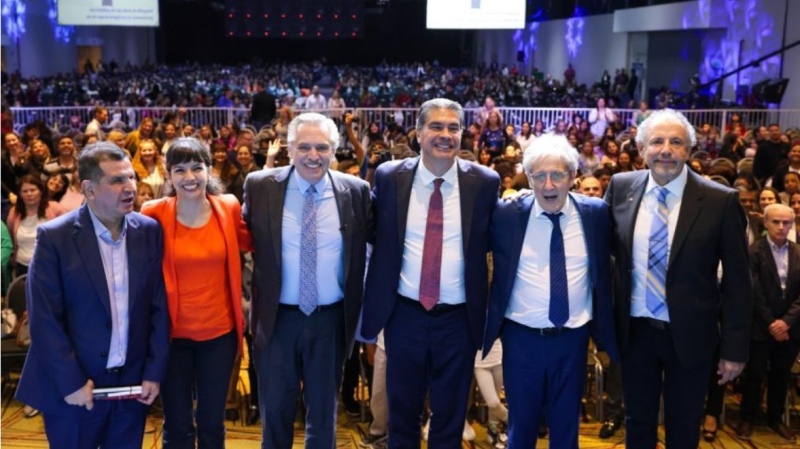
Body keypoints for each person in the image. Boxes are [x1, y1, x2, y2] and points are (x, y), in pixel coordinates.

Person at [604, 109, 752, 448]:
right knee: (637, 424)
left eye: (676, 142)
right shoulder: (620, 187)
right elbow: (601, 253)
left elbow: (739, 285)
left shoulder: (720, 200)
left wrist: (734, 349)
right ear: (641, 149)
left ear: (689, 149)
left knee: (684, 428)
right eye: (656, 141)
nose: (666, 149)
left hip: (691, 337)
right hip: (636, 333)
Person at [360, 98, 500, 449]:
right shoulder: (390, 176)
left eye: (453, 127)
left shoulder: (485, 183)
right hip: (404, 315)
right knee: (402, 414)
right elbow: (371, 231)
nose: (445, 134)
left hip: (458, 320)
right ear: (419, 132)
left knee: (450, 418)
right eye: (436, 126)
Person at [15, 142, 170, 449]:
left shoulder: (149, 231)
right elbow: (45, 321)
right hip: (73, 392)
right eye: (117, 180)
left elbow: (158, 308)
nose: (129, 188)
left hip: (131, 389)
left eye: (131, 178)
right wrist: (70, 382)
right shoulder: (55, 237)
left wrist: (154, 372)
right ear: (89, 189)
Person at [242, 112, 370, 449]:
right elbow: (240, 240)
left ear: (334, 149)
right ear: (289, 148)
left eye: (322, 148)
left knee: (324, 413)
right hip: (277, 320)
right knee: (277, 412)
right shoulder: (260, 186)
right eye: (305, 147)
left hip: (330, 320)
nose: (313, 156)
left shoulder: (357, 191)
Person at [484, 134, 618, 447]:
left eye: (557, 175)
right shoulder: (506, 214)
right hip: (521, 338)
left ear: (573, 176)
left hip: (573, 338)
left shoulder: (595, 214)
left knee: (566, 425)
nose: (548, 185)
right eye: (539, 176)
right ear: (527, 177)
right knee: (522, 426)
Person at [140, 137, 252, 449]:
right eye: (180, 170)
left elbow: (257, 243)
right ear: (169, 175)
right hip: (171, 338)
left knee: (212, 424)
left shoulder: (228, 207)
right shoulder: (153, 212)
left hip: (219, 335)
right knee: (176, 425)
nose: (189, 177)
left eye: (196, 168)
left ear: (209, 169)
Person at [737, 204, 800, 442]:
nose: (781, 227)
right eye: (776, 222)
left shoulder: (799, 252)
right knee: (754, 374)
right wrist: (772, 322)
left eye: (786, 222)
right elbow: (753, 291)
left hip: (790, 329)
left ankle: (776, 419)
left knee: (781, 375)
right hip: (760, 326)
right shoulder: (753, 251)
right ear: (765, 222)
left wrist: (786, 323)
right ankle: (747, 418)